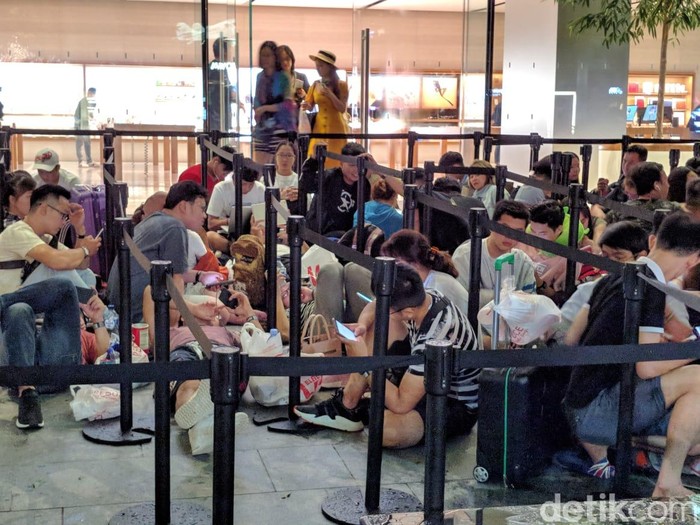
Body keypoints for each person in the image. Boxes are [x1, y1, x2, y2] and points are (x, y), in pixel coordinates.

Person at [563, 212, 700, 497]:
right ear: (693, 260)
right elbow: (646, 367)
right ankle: (667, 482)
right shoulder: (651, 288)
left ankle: (648, 454)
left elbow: (572, 338)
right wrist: (695, 343)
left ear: (652, 241)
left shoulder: (617, 276)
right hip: (597, 412)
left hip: (577, 406)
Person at [294, 264, 479, 448]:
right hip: (426, 380)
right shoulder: (424, 296)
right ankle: (347, 404)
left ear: (408, 312)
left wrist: (364, 363)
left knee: (384, 430)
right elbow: (374, 306)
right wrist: (362, 326)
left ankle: (367, 405)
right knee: (382, 321)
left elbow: (401, 403)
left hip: (454, 402)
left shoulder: (435, 335)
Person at [106, 181, 223, 323]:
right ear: (184, 206)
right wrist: (190, 314)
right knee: (216, 316)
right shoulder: (175, 228)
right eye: (201, 209)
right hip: (140, 312)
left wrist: (201, 276)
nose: (204, 215)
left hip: (122, 310)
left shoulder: (154, 220)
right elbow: (175, 286)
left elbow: (168, 272)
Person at [0, 184, 101, 296]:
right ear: (44, 209)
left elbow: (80, 264)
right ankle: (94, 303)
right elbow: (57, 262)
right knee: (57, 270)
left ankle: (88, 303)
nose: (64, 222)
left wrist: (79, 229)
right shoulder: (18, 232)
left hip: (25, 295)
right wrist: (85, 250)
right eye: (63, 215)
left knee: (86, 274)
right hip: (8, 299)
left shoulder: (45, 238)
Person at [452, 200, 536, 309]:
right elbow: (458, 300)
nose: (509, 236)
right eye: (504, 228)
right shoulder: (465, 256)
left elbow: (530, 305)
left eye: (518, 232)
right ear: (491, 225)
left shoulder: (523, 263)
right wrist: (509, 298)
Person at [302, 142, 370, 238]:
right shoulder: (329, 177)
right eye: (351, 165)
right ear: (341, 164)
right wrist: (313, 160)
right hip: (321, 235)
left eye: (359, 165)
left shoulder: (364, 184)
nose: (356, 170)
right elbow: (306, 185)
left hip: (346, 238)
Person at [303, 50, 349, 169]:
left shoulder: (341, 85)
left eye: (321, 66)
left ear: (330, 67)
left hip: (336, 128)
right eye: (317, 66)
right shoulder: (315, 85)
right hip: (319, 127)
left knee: (335, 160)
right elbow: (309, 106)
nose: (318, 69)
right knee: (315, 157)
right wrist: (305, 104)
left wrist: (330, 94)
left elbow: (342, 108)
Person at [605, 161, 680, 234]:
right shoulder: (674, 209)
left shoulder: (617, 212)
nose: (668, 186)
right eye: (666, 182)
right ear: (656, 186)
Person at [252, 41, 296, 165]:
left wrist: (265, 108)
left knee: (279, 167)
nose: (265, 59)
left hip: (280, 127)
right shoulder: (260, 76)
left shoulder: (283, 77)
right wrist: (258, 111)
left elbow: (288, 104)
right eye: (262, 55)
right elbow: (257, 99)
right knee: (259, 167)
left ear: (275, 57)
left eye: (268, 55)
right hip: (262, 128)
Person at [206, 165, 266, 252]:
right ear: (234, 180)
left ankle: (244, 250)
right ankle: (240, 250)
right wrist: (229, 221)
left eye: (251, 185)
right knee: (210, 236)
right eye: (243, 184)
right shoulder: (221, 188)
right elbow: (211, 224)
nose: (247, 188)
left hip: (254, 235)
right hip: (228, 236)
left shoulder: (260, 189)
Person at [207, 37, 235, 132]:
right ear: (224, 51)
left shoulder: (215, 67)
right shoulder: (218, 67)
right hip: (218, 119)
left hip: (217, 118)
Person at [273, 141, 303, 215]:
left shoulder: (300, 180)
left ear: (294, 158)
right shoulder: (267, 179)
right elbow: (261, 205)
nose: (285, 159)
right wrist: (280, 197)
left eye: (289, 155)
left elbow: (309, 205)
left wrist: (300, 197)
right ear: (275, 157)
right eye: (281, 155)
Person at [74, 87, 100, 168]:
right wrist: (79, 126)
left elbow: (90, 114)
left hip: (85, 125)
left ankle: (89, 161)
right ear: (90, 93)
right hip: (81, 126)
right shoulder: (83, 102)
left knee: (87, 143)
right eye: (91, 94)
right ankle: (81, 161)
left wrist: (94, 120)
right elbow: (80, 115)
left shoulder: (90, 102)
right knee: (80, 143)